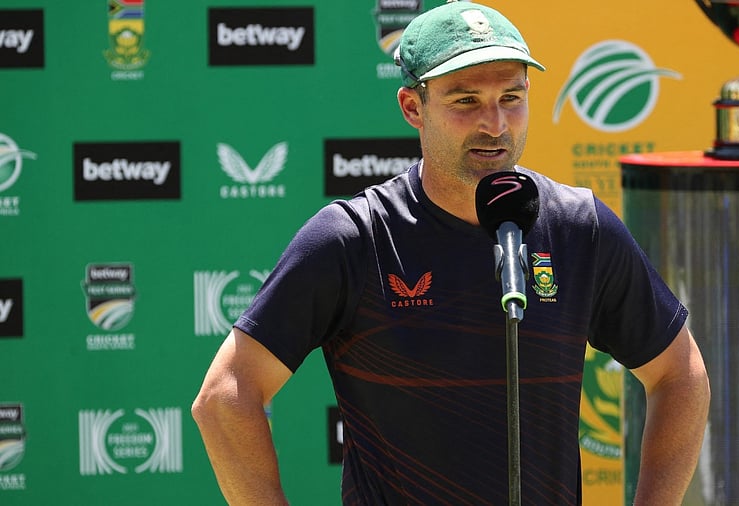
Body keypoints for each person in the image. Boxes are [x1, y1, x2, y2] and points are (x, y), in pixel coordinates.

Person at [191, 1, 710, 504]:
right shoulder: (354, 237)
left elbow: (680, 375)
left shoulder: (579, 226)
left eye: (512, 97)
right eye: (466, 101)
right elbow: (224, 397)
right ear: (413, 107)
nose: (496, 124)